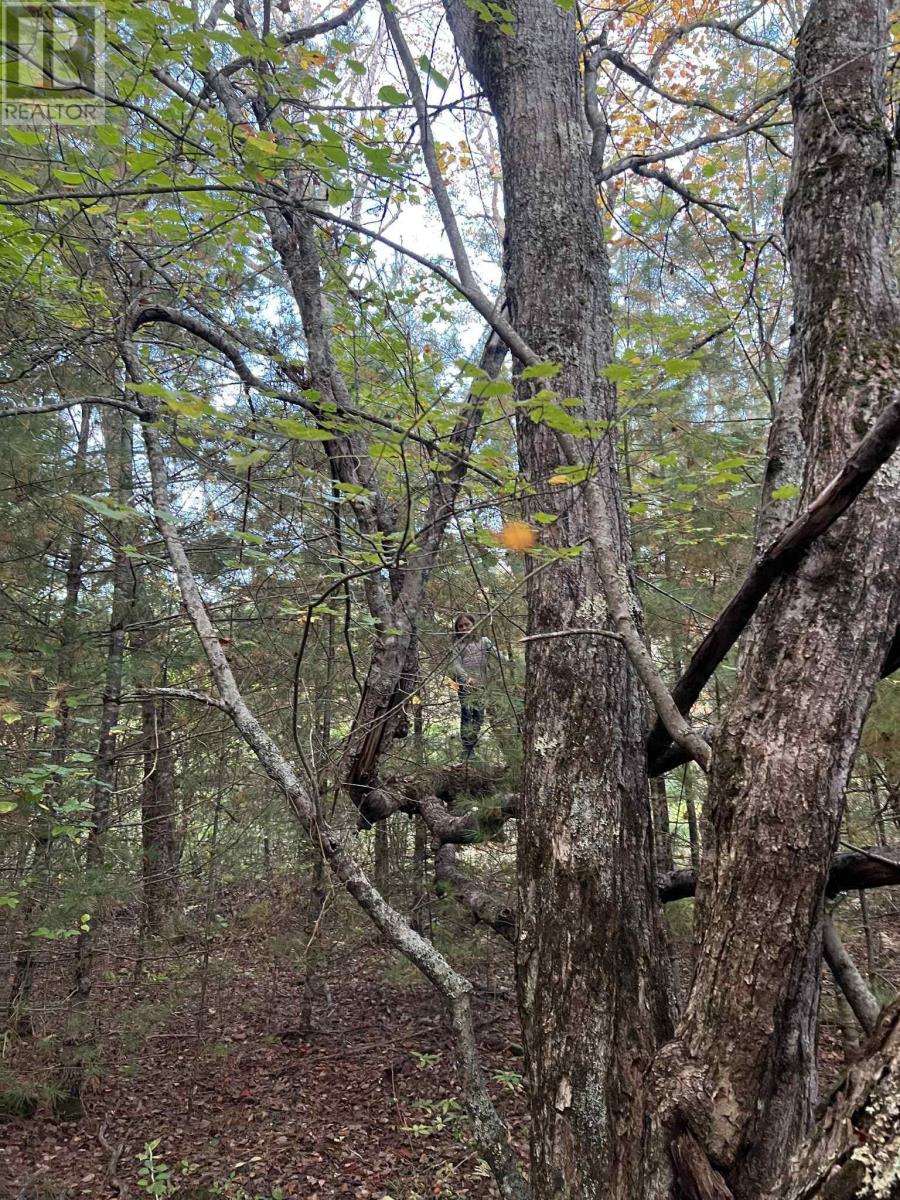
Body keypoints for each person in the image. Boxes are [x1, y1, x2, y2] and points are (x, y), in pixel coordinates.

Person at [450, 614, 494, 758]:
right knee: (467, 714)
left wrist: (509, 662)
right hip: (465, 687)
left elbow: (496, 654)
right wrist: (466, 679)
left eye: (467, 624)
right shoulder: (458, 646)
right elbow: (456, 665)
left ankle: (473, 743)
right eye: (460, 626)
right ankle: (467, 750)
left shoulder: (484, 642)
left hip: (482, 686)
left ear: (474, 625)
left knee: (479, 715)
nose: (464, 628)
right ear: (457, 630)